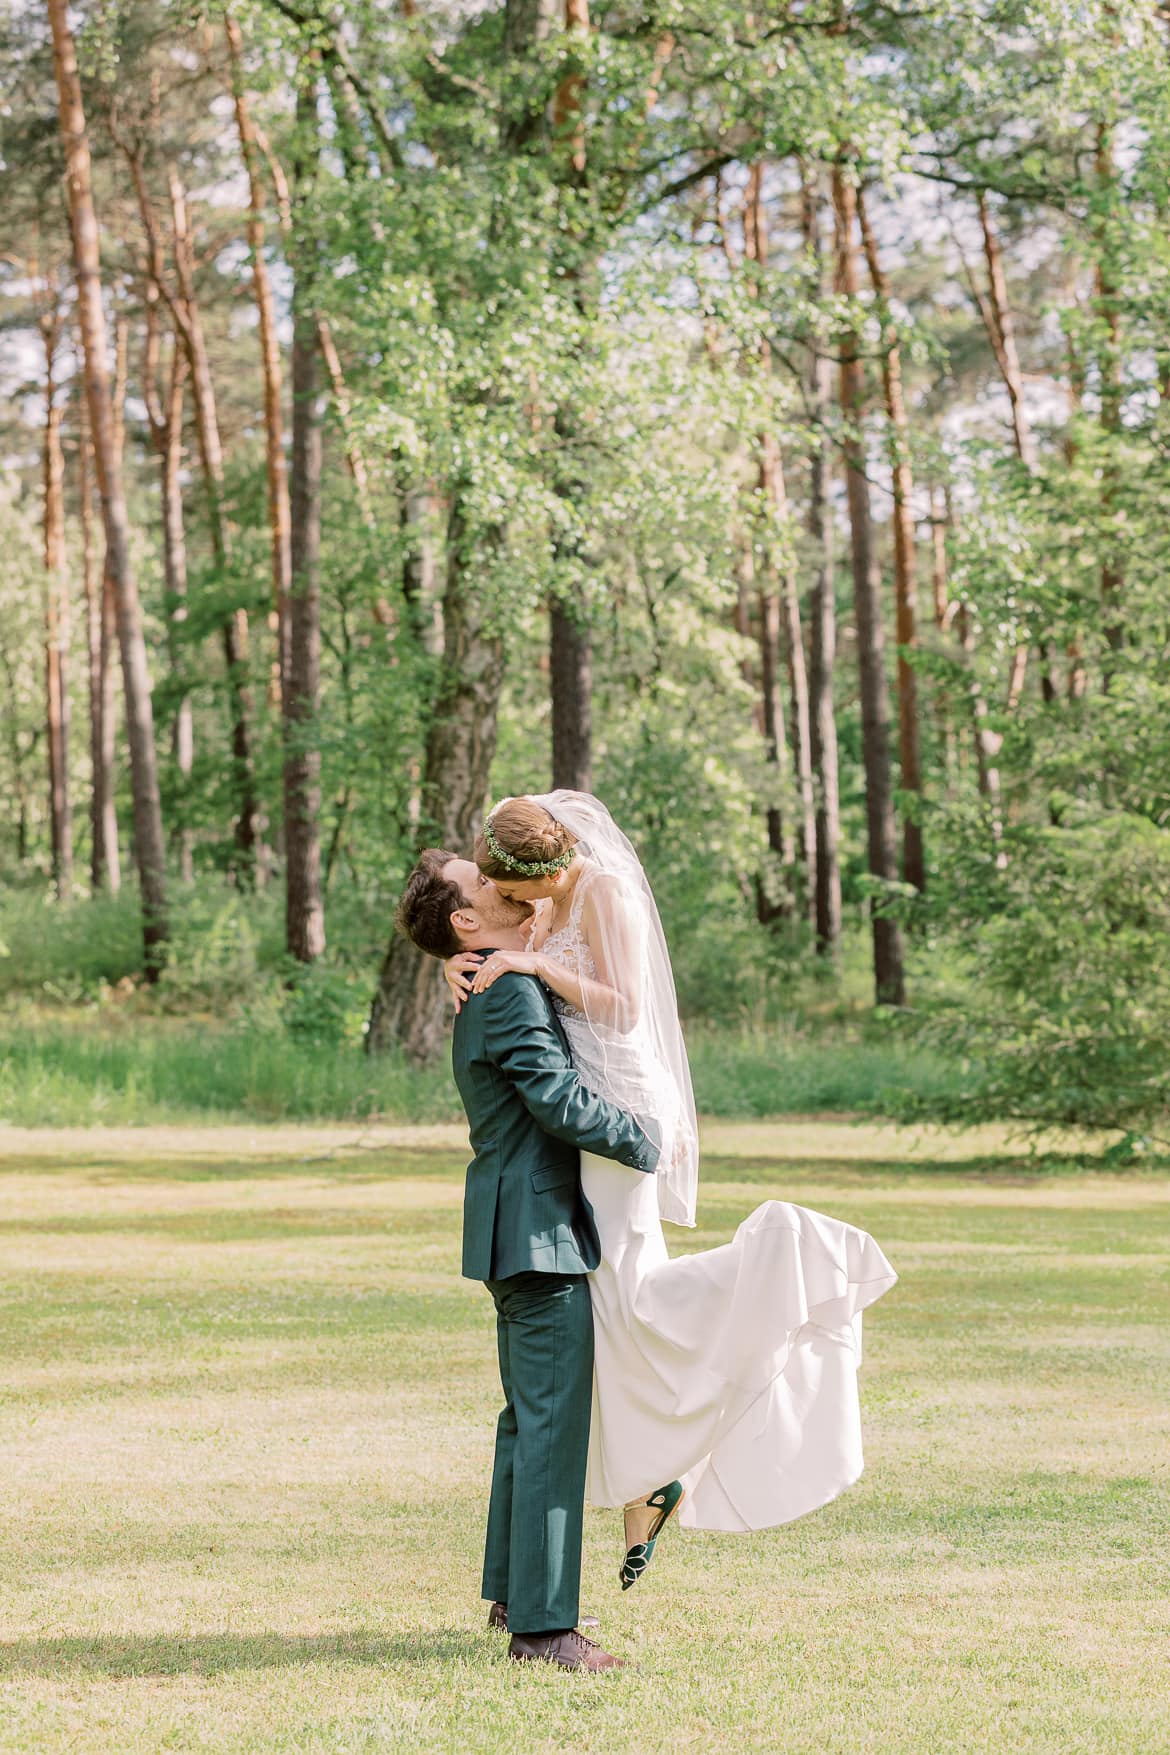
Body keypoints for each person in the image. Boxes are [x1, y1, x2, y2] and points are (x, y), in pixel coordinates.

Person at [444, 792, 898, 1586]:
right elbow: (468, 914)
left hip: (619, 1108)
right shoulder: (540, 897)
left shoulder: (605, 892)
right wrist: (462, 959)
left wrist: (534, 961)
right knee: (615, 1309)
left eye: (516, 890)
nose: (510, 904)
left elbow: (627, 1012)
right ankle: (651, 1475)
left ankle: (790, 1255)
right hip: (594, 1115)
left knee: (634, 1299)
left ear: (545, 870)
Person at [396, 849, 660, 1672]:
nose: (502, 884)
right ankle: (545, 1630)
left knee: (526, 1419)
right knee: (549, 1424)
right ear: (466, 921)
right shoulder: (503, 986)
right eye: (483, 882)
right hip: (537, 1228)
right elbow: (551, 1095)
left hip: (518, 1225)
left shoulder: (493, 972)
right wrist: (642, 1140)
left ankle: (515, 1594)